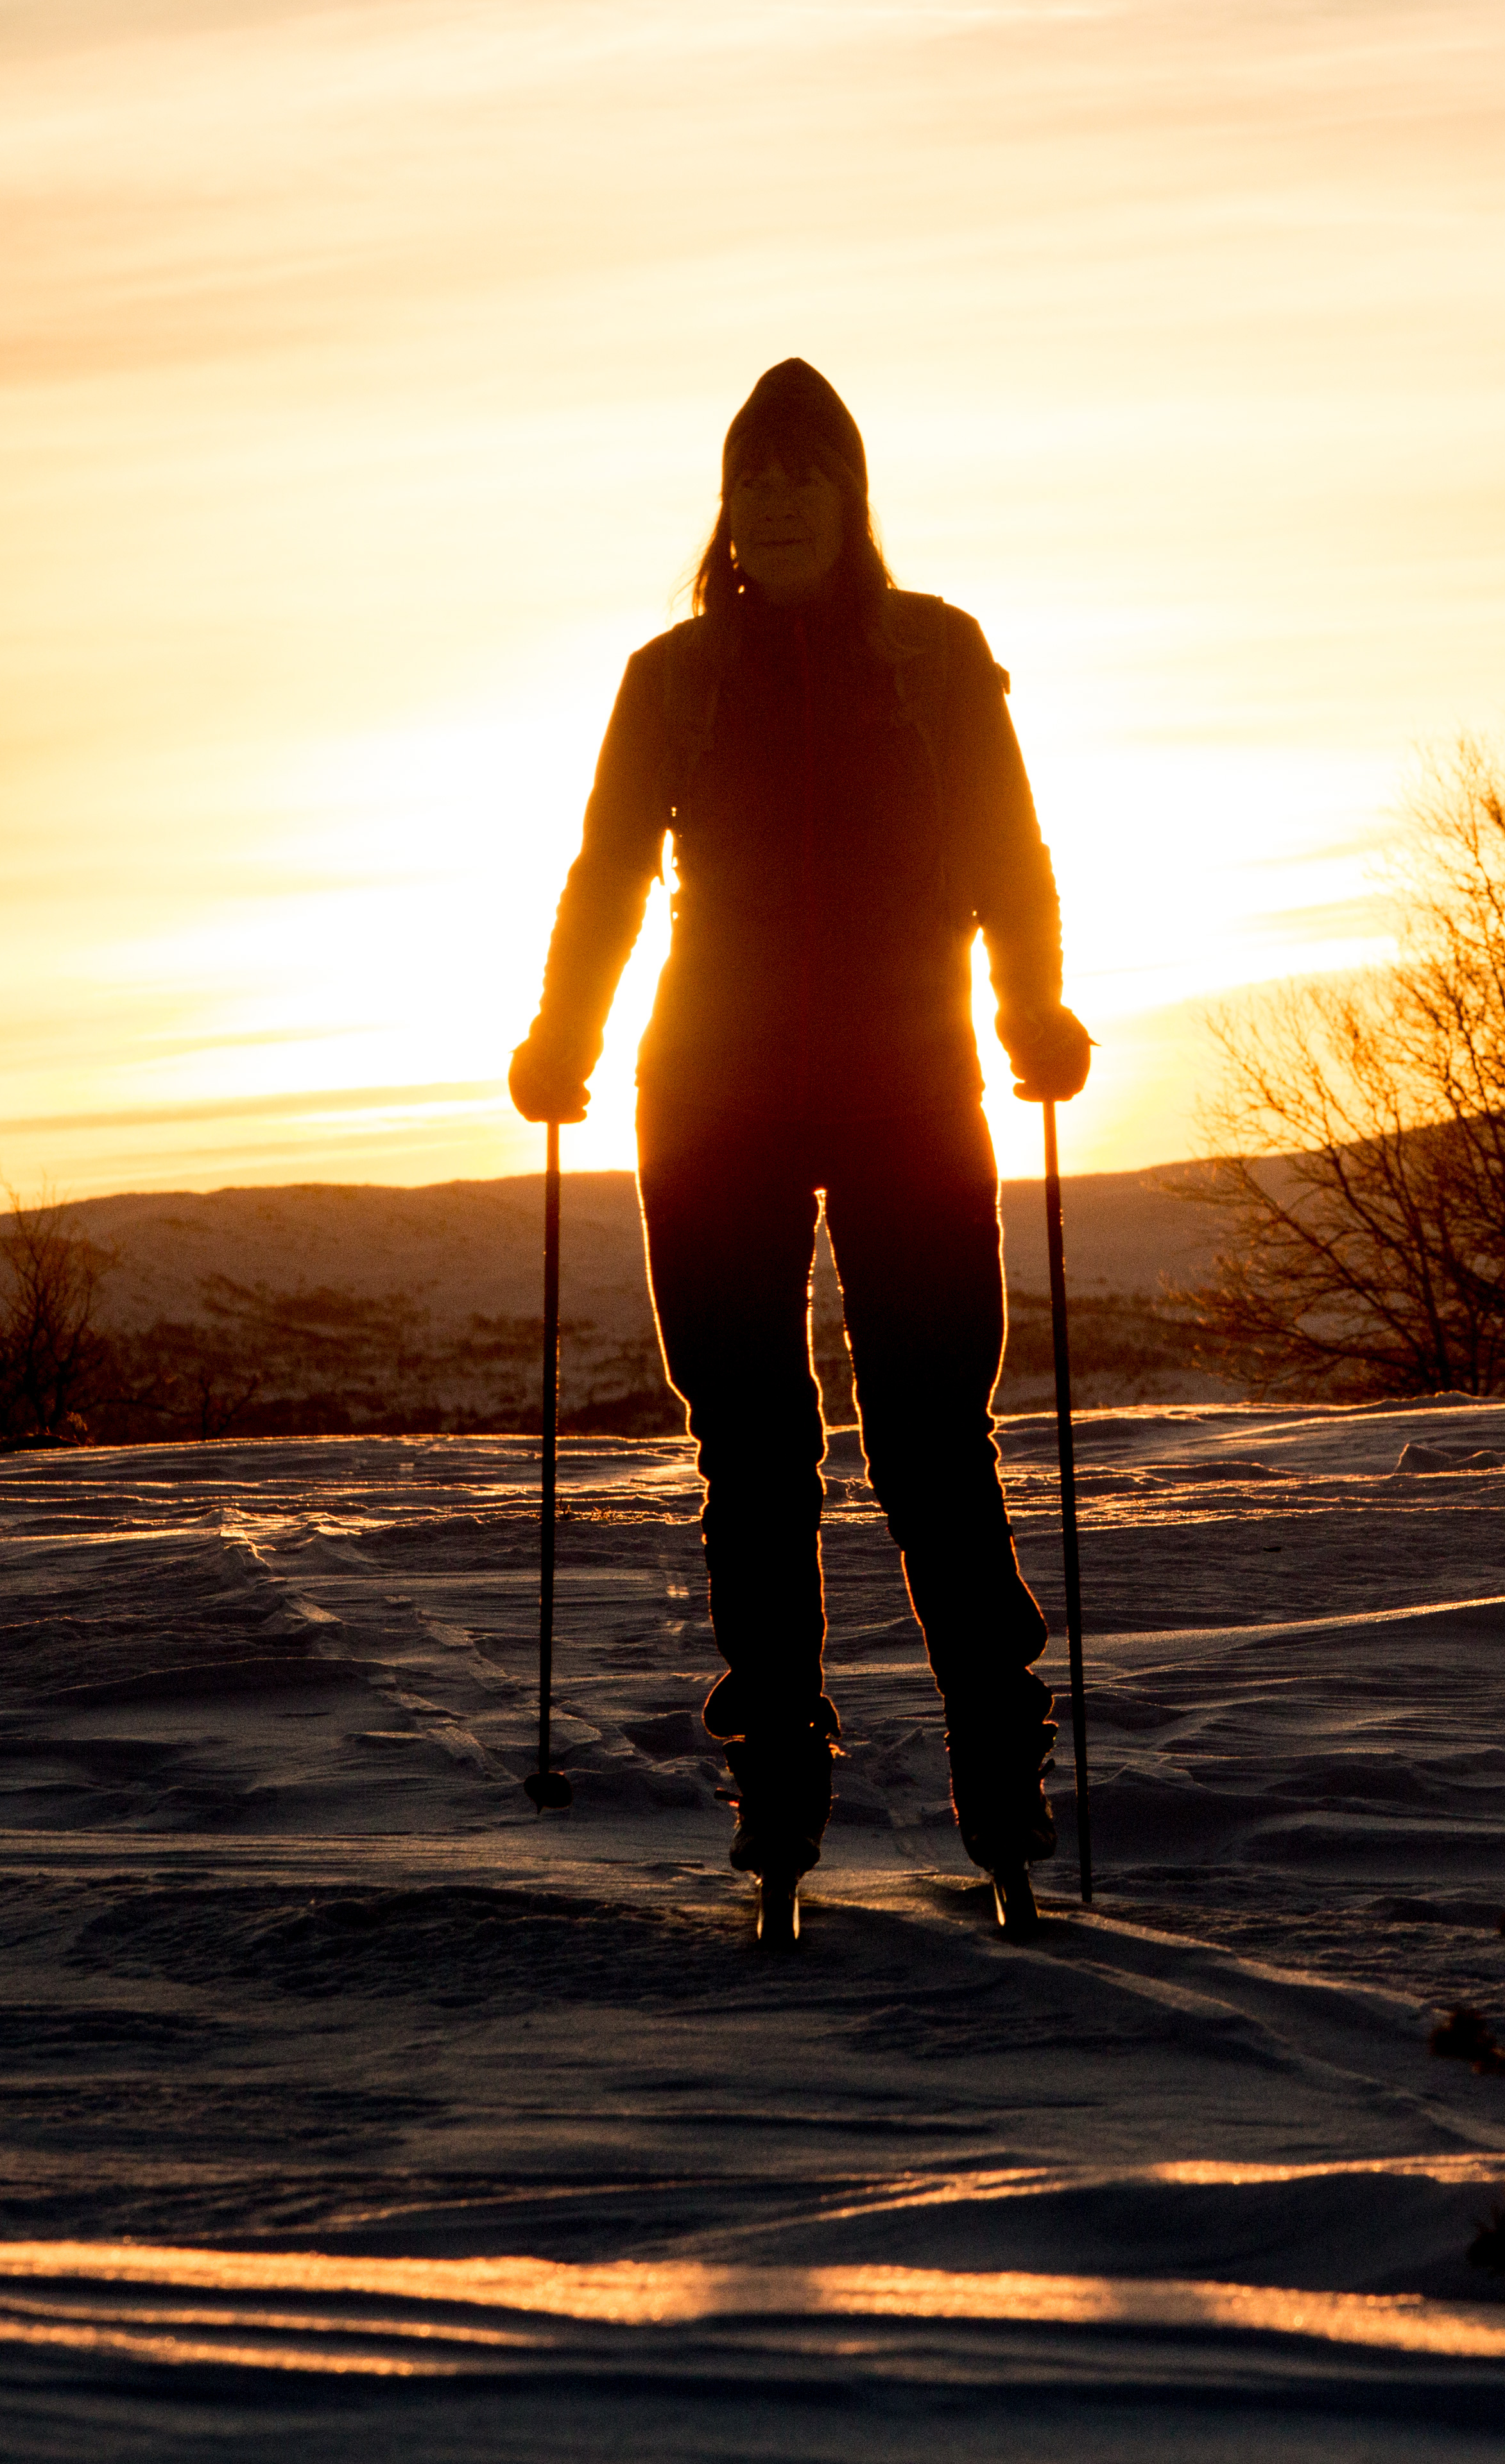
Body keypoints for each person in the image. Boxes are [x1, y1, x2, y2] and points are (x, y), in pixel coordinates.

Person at [508, 357, 1092, 1931]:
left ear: (848, 494)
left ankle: (1000, 1780)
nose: (774, 500)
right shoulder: (673, 675)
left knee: (929, 1440)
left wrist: (1036, 1006)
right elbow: (610, 873)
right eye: (751, 477)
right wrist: (564, 1034)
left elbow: (1006, 853)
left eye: (802, 472)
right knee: (754, 1453)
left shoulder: (938, 657)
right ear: (729, 505)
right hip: (712, 1091)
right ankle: (780, 1792)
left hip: (910, 1080)